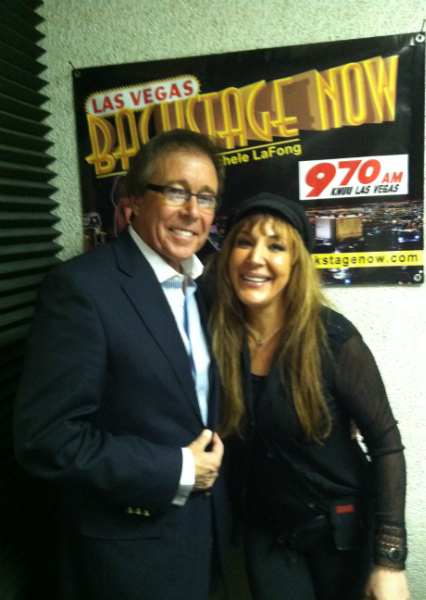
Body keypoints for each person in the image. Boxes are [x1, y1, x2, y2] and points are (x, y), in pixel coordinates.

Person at [13, 129, 228, 600]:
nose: (193, 211)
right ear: (136, 200)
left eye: (206, 197)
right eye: (176, 192)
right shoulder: (81, 289)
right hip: (128, 562)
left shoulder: (206, 289)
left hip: (204, 542)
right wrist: (178, 469)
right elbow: (45, 438)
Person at [209, 193, 410, 600]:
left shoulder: (333, 339)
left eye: (276, 246)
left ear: (297, 262)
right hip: (268, 535)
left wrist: (389, 562)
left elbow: (386, 446)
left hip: (340, 533)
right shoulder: (215, 336)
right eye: (244, 242)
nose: (256, 258)